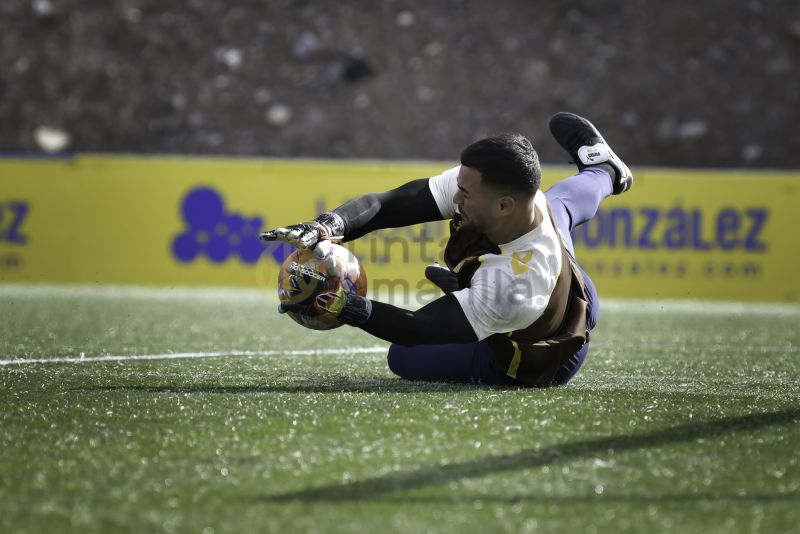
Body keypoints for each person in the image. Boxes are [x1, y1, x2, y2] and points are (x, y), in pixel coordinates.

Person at [260, 112, 633, 387]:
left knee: (402, 358)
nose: (455, 197)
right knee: (561, 205)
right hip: (574, 286)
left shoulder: (515, 285)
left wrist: (343, 305)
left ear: (504, 205)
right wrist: (328, 224)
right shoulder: (521, 198)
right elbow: (390, 203)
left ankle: (604, 174)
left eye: (465, 194)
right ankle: (606, 171)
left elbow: (418, 330)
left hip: (543, 352)